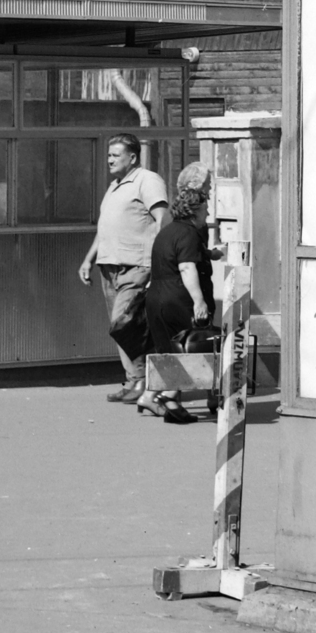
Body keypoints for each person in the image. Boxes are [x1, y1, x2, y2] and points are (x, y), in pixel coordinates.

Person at [78, 134, 169, 404]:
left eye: (115, 155)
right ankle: (134, 382)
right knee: (120, 327)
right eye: (108, 155)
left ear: (132, 157)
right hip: (109, 266)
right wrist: (88, 259)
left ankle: (147, 381)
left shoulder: (147, 180)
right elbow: (105, 228)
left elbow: (163, 220)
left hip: (136, 265)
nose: (109, 159)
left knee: (125, 322)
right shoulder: (115, 186)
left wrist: (158, 263)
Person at [141, 163, 216, 424]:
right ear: (195, 211)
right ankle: (169, 396)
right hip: (178, 298)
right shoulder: (190, 233)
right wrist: (199, 300)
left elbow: (177, 257)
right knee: (193, 348)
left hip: (156, 298)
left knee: (169, 351)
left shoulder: (168, 231)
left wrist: (208, 254)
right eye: (205, 209)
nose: (208, 212)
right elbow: (186, 266)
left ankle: (155, 396)